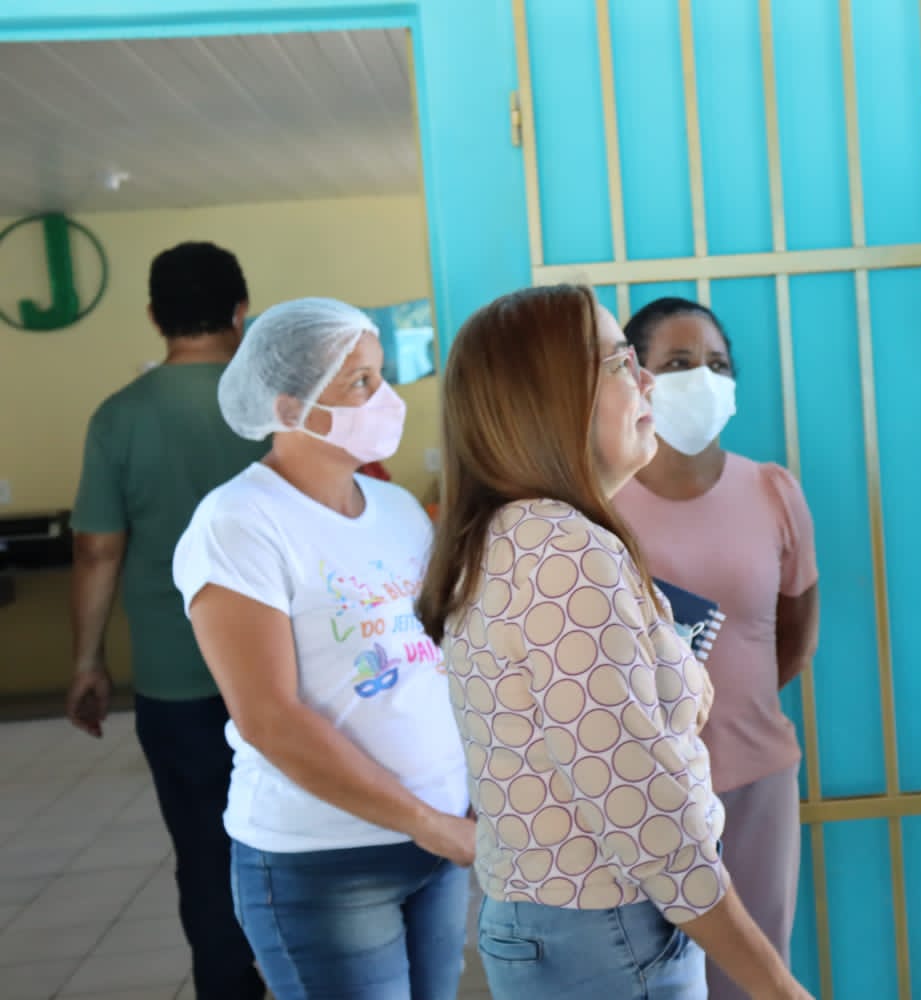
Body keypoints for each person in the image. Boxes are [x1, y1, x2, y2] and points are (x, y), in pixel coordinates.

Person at [415, 284, 813, 1000]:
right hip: (605, 931)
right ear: (549, 396)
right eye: (621, 362)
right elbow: (646, 807)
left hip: (584, 922)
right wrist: (778, 987)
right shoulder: (559, 549)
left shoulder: (534, 533)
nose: (648, 382)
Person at [172, 297, 474, 1000]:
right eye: (361, 383)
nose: (388, 398)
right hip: (325, 861)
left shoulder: (397, 512)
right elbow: (269, 718)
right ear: (291, 406)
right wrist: (428, 824)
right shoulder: (239, 523)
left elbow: (436, 664)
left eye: (382, 376)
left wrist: (463, 802)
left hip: (437, 845)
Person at [66, 240, 266, 1000]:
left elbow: (96, 551)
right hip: (291, 674)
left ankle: (228, 987)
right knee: (310, 844)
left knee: (204, 853)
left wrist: (88, 662)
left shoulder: (119, 418)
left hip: (178, 683)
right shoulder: (279, 407)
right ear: (242, 307)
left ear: (155, 317)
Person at [613, 297, 819, 999]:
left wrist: (732, 709)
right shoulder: (594, 504)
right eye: (677, 364)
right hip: (636, 787)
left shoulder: (771, 490)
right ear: (635, 378)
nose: (701, 378)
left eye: (717, 364)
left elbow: (795, 629)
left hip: (755, 773)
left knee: (756, 974)